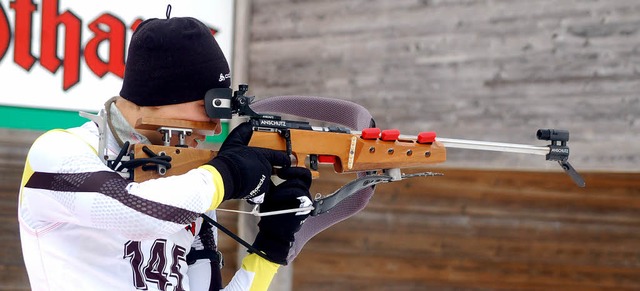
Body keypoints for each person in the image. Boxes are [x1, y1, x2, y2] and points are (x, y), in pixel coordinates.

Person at [17, 14, 312, 291]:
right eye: (208, 104)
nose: (213, 125)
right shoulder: (57, 154)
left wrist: (270, 248)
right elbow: (137, 214)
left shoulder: (190, 181)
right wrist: (229, 174)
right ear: (163, 93)